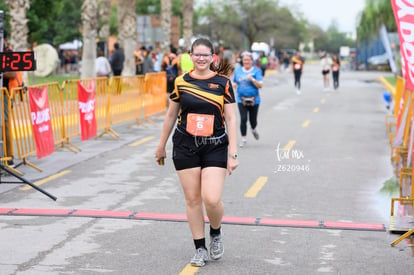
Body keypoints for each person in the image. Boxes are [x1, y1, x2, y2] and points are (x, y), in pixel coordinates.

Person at [155, 37, 238, 267]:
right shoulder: (181, 82)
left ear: (213, 57)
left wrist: (233, 153)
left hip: (215, 145)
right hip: (185, 145)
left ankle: (216, 230)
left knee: (211, 199)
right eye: (197, 54)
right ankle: (199, 248)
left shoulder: (224, 83)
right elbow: (171, 115)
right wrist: (161, 145)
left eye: (205, 55)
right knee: (192, 199)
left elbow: (231, 119)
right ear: (190, 56)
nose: (201, 58)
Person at [233, 52, 263, 147]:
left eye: (248, 60)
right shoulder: (238, 71)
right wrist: (235, 84)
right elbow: (233, 83)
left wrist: (252, 79)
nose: (246, 62)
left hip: (254, 99)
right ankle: (243, 138)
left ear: (252, 61)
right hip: (241, 99)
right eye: (244, 60)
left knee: (253, 120)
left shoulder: (257, 71)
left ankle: (253, 129)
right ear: (242, 61)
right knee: (243, 118)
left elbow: (260, 85)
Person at [1, 29, 17, 167]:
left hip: (4, 94)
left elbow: (13, 74)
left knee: (5, 124)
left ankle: (9, 156)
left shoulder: (8, 53)